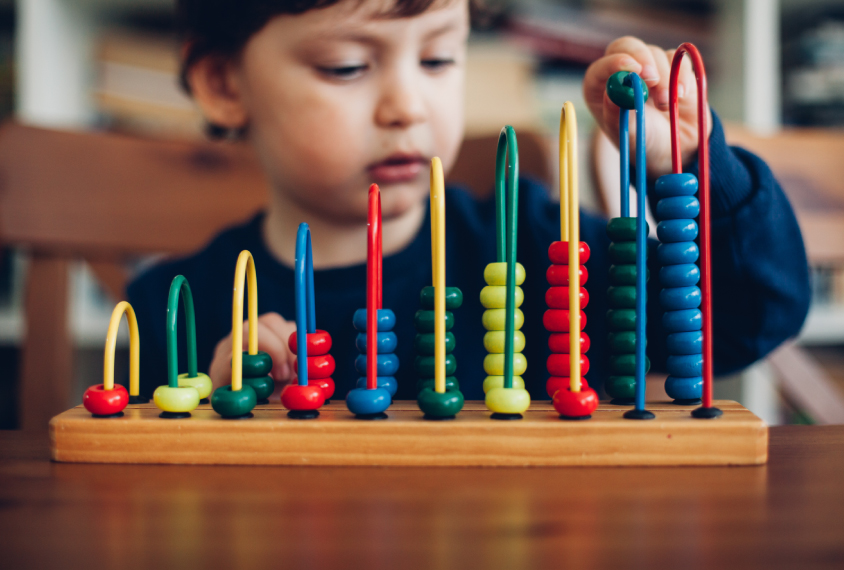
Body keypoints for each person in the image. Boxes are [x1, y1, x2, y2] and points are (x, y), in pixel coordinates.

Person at [127, 0, 810, 401]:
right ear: (224, 82)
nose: (407, 107)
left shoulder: (542, 252)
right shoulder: (172, 310)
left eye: (438, 59)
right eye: (346, 66)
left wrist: (686, 165)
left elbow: (751, 317)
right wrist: (222, 409)